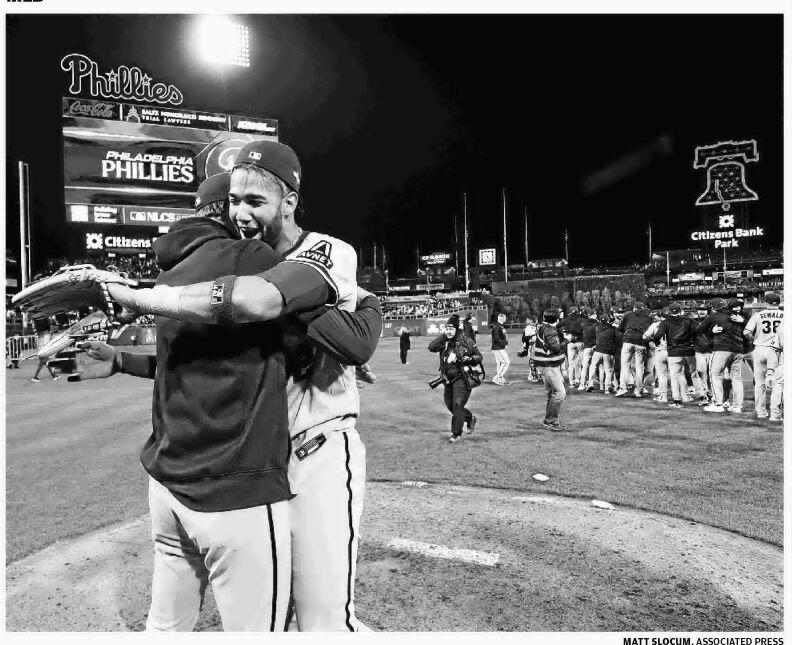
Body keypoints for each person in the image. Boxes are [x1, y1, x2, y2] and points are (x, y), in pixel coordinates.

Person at [102, 141, 375, 631]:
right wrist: (123, 360)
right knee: (275, 603)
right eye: (233, 200)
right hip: (262, 460)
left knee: (322, 618)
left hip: (317, 452)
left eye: (255, 201)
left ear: (289, 201)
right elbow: (210, 361)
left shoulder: (324, 251)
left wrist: (142, 297)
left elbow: (264, 305)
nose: (241, 212)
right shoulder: (247, 260)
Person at [428, 313, 482, 443]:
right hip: (448, 379)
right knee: (450, 404)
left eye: (451, 329)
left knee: (458, 404)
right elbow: (431, 347)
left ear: (457, 329)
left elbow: (479, 357)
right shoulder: (444, 342)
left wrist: (468, 358)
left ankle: (456, 433)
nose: (449, 331)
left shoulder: (466, 341)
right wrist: (444, 336)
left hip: (462, 378)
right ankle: (469, 418)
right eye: (446, 329)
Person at [652, 302, 704, 408]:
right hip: (689, 351)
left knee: (675, 377)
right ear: (680, 311)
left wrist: (656, 343)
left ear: (670, 311)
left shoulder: (665, 322)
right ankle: (703, 397)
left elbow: (657, 336)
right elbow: (698, 331)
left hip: (674, 352)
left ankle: (677, 401)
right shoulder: (689, 321)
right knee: (694, 374)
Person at [699, 298, 747, 414]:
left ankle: (718, 404)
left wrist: (712, 331)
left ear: (714, 307)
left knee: (715, 375)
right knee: (737, 378)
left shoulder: (714, 316)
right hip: (738, 350)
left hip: (722, 349)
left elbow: (699, 330)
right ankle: (737, 406)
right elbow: (748, 330)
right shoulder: (738, 315)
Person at [743, 293, 783, 418]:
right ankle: (776, 413)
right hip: (779, 351)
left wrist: (753, 339)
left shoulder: (757, 315)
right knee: (779, 383)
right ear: (779, 303)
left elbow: (746, 332)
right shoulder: (786, 315)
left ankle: (761, 412)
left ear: (766, 302)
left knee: (759, 383)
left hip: (760, 349)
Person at [533, 309, 567, 431]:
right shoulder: (549, 330)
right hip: (549, 365)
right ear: (556, 320)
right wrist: (566, 340)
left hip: (544, 364)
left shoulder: (541, 327)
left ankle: (549, 420)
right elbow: (556, 348)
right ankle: (552, 421)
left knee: (552, 394)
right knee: (560, 393)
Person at [615, 301, 652, 398]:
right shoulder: (648, 317)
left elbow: (620, 329)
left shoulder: (628, 315)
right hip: (641, 342)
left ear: (635, 308)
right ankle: (639, 390)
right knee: (639, 367)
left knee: (625, 365)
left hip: (628, 340)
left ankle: (623, 388)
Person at [585, 312, 619, 393]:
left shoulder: (597, 327)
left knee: (593, 367)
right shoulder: (613, 329)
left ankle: (590, 383)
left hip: (598, 350)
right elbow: (618, 338)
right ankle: (607, 388)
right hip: (608, 352)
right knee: (608, 370)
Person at [643, 309, 668, 402]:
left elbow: (644, 336)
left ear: (660, 316)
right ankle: (681, 395)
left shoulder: (655, 325)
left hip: (660, 350)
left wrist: (651, 340)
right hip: (675, 351)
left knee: (661, 373)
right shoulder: (677, 323)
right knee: (677, 375)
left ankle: (660, 391)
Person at [557, 305, 583, 386]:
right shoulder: (581, 318)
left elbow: (557, 326)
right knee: (579, 362)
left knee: (571, 363)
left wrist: (566, 331)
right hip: (580, 341)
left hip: (570, 342)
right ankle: (577, 379)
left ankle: (571, 381)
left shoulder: (567, 319)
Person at [577, 307, 598, 391]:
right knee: (593, 366)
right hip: (595, 347)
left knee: (585, 366)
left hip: (586, 347)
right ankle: (591, 382)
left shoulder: (583, 324)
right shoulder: (597, 324)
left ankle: (582, 384)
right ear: (595, 315)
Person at [490, 312, 510, 385]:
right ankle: (498, 378)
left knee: (500, 363)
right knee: (506, 362)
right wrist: (505, 342)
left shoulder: (499, 326)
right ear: (503, 318)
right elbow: (496, 339)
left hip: (498, 348)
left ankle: (498, 378)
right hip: (498, 348)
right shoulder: (497, 327)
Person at [768, 324, 783, 422]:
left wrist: (770, 371)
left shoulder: (783, 325)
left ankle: (775, 414)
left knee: (778, 386)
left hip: (784, 362)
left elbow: (775, 351)